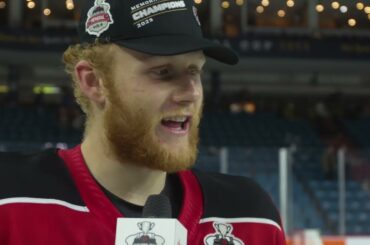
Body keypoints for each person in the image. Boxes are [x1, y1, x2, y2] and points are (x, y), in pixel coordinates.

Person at [0, 0, 285, 244]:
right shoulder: (11, 199)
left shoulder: (251, 217)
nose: (192, 92)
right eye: (162, 72)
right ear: (94, 81)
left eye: (194, 70)